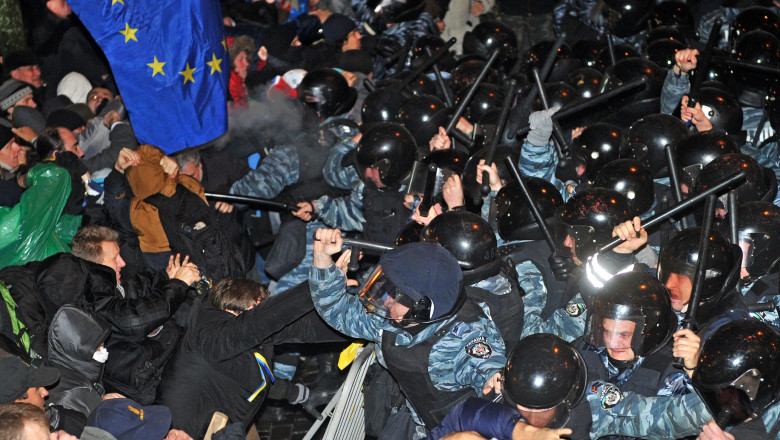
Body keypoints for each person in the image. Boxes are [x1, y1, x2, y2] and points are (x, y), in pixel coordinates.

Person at [310, 231, 505, 437]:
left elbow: (491, 372)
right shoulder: (393, 322)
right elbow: (337, 310)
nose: (386, 300)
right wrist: (322, 260)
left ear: (421, 306)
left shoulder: (464, 338)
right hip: (416, 421)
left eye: (397, 295)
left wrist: (495, 379)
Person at [156, 278, 346, 438]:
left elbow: (250, 375)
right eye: (260, 309)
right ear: (249, 307)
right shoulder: (211, 339)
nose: (263, 319)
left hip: (229, 428)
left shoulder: (238, 340)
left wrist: (297, 394)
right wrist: (320, 282)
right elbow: (267, 320)